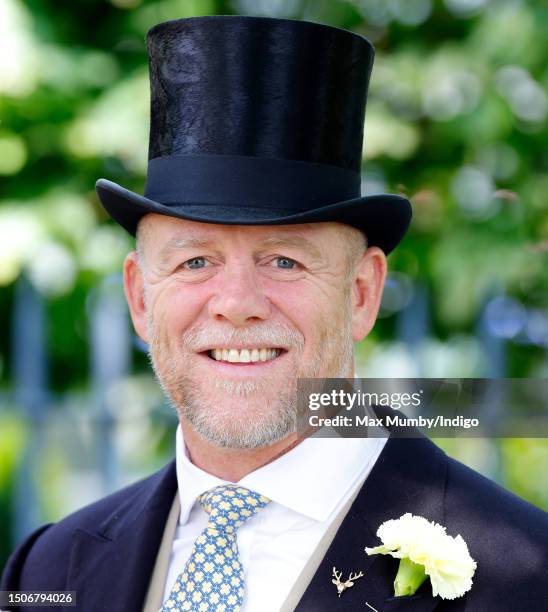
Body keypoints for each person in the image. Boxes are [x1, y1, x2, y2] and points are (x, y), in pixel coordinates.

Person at [2, 15, 547, 612]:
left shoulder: (525, 575)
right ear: (139, 296)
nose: (237, 304)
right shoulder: (49, 570)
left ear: (361, 293)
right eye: (195, 262)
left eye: (284, 261)